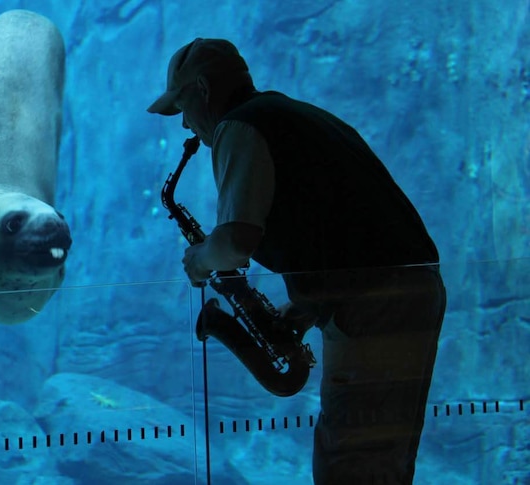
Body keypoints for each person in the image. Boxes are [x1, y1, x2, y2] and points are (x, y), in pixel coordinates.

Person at [147, 38, 447, 485]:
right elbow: (344, 224)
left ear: (204, 88)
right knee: (383, 459)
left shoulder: (240, 127)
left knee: (350, 463)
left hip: (377, 306)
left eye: (183, 107)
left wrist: (200, 259)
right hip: (402, 296)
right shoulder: (295, 116)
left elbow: (235, 241)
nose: (186, 125)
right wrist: (310, 305)